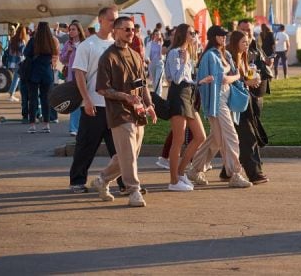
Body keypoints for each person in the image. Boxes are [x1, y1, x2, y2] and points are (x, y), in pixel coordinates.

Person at [90, 16, 157, 207]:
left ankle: (102, 179)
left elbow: (142, 85)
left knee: (128, 155)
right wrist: (125, 97)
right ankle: (134, 190)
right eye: (126, 29)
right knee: (128, 154)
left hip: (138, 112)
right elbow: (102, 89)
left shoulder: (135, 55)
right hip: (119, 112)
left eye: (133, 29)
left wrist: (150, 105)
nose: (131, 33)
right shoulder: (108, 57)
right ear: (115, 31)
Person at [69, 6, 127, 195]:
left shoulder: (118, 45)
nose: (114, 23)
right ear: (100, 21)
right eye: (111, 20)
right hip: (93, 105)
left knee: (120, 149)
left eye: (116, 20)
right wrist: (86, 100)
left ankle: (126, 184)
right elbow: (79, 73)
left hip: (114, 106)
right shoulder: (88, 45)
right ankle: (77, 181)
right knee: (86, 146)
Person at [186, 25, 253, 188]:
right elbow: (221, 79)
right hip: (216, 100)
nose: (224, 37)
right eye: (220, 35)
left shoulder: (225, 54)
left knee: (216, 139)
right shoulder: (210, 56)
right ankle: (235, 173)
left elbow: (233, 75)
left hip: (226, 97)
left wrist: (233, 76)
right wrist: (233, 76)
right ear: (213, 37)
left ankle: (195, 169)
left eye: (224, 35)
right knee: (231, 136)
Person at [163, 24, 207, 191]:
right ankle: (173, 181)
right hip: (178, 95)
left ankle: (181, 173)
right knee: (178, 139)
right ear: (183, 34)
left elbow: (187, 79)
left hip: (188, 95)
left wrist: (199, 82)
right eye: (191, 33)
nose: (194, 35)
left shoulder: (186, 52)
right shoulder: (175, 52)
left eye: (194, 33)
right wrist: (184, 62)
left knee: (200, 136)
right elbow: (175, 78)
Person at [225, 25, 268, 184]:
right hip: (235, 103)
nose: (247, 44)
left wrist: (253, 79)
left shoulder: (244, 57)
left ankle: (226, 172)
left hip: (245, 102)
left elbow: (244, 77)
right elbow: (229, 81)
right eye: (243, 42)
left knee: (222, 140)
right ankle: (254, 174)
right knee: (248, 137)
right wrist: (246, 82)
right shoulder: (229, 58)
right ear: (235, 43)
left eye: (247, 41)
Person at [23, 22, 58, 134]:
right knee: (46, 99)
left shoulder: (33, 41)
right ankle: (46, 124)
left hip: (34, 73)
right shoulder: (51, 41)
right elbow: (55, 54)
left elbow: (25, 53)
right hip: (47, 73)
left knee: (32, 99)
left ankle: (32, 125)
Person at [60, 21, 85, 136]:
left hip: (84, 75)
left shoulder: (85, 44)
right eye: (70, 30)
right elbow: (62, 59)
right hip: (72, 76)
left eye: (73, 29)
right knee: (74, 102)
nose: (71, 32)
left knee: (84, 102)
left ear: (79, 31)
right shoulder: (68, 44)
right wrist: (68, 52)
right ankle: (73, 128)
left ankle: (82, 127)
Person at [6, 25, 28, 102]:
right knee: (17, 79)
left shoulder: (12, 40)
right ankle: (12, 94)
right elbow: (23, 53)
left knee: (18, 79)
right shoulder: (22, 41)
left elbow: (9, 52)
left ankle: (14, 94)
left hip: (12, 62)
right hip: (19, 63)